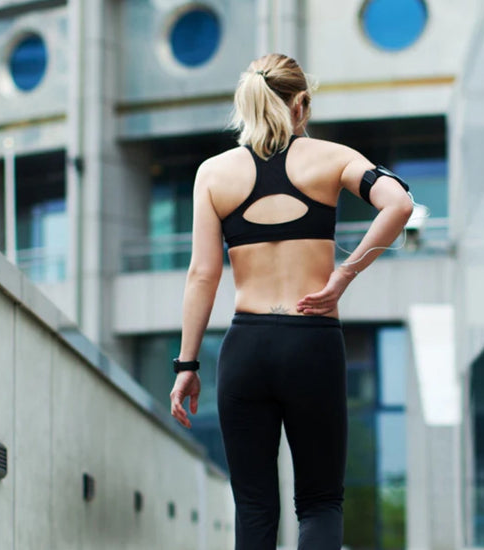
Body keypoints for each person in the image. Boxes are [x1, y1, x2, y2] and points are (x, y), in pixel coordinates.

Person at [167, 53, 414, 550]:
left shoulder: (214, 174)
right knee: (320, 502)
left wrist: (186, 364)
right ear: (301, 103)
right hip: (313, 344)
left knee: (255, 507)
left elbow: (202, 274)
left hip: (247, 349)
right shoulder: (333, 157)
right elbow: (401, 204)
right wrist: (343, 276)